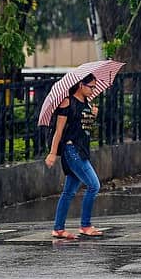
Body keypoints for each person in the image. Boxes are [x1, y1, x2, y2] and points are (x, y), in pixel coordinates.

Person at [45, 73, 102, 240]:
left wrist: (93, 115)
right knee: (94, 185)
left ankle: (58, 229)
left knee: (69, 191)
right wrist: (52, 153)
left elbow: (84, 129)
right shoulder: (67, 102)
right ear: (81, 85)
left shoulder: (87, 104)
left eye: (94, 87)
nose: (93, 90)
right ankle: (85, 225)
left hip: (82, 150)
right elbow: (59, 131)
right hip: (72, 150)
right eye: (90, 87)